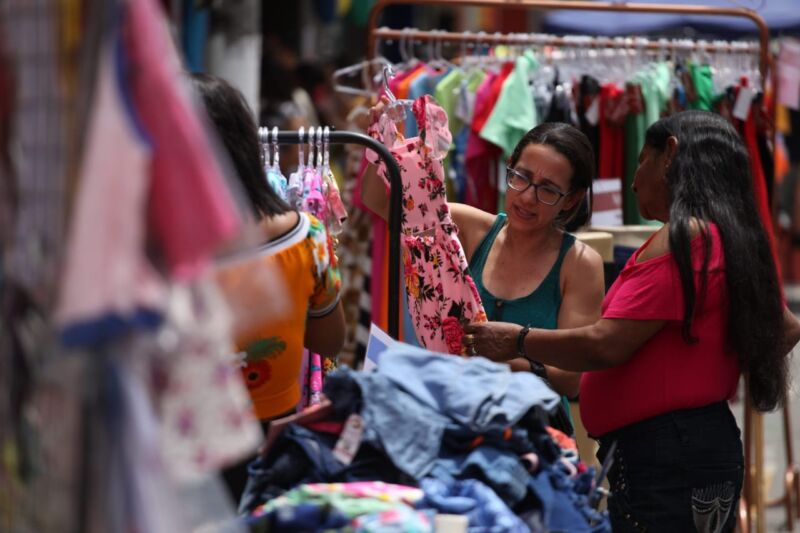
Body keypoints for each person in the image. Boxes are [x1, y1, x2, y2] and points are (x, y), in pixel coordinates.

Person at [464, 110, 800, 532]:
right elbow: (783, 328)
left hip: (669, 456)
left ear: (670, 155)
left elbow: (607, 344)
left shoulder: (689, 236)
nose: (634, 179)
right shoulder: (722, 234)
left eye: (642, 160)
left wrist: (518, 340)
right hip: (679, 451)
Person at [362, 97, 605, 435]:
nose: (527, 197)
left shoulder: (579, 265)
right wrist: (381, 145)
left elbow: (569, 378)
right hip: (453, 424)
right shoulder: (467, 227)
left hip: (532, 434)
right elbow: (381, 205)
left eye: (548, 190)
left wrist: (492, 357)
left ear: (574, 199)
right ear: (509, 168)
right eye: (521, 177)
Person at [192, 72, 345, 422]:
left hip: (187, 443)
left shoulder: (163, 255)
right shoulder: (308, 238)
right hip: (275, 436)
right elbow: (329, 341)